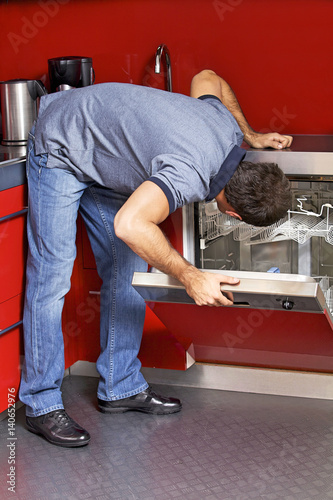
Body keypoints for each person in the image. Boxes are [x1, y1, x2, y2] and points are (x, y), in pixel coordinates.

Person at [19, 69, 293, 448]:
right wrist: (189, 274)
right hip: (62, 143)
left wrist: (249, 133)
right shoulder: (190, 174)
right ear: (234, 216)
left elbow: (208, 77)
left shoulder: (226, 130)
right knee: (52, 275)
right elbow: (130, 224)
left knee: (130, 268)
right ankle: (40, 402)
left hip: (102, 152)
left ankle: (120, 385)